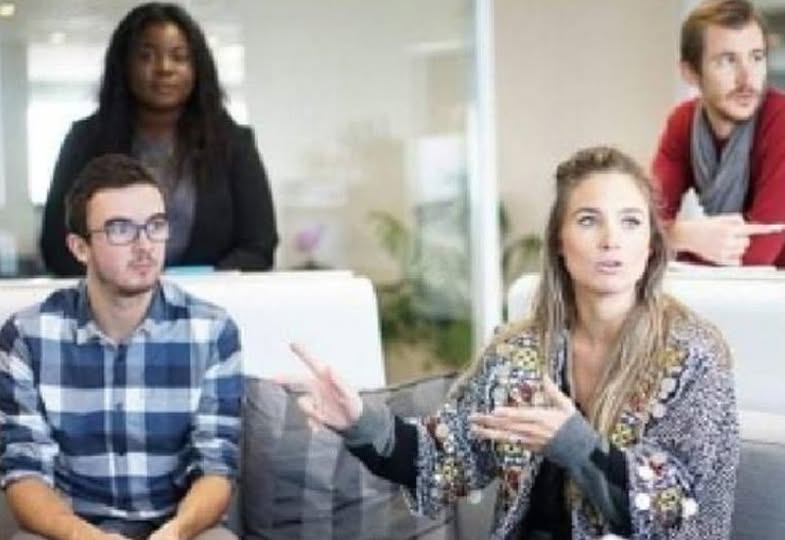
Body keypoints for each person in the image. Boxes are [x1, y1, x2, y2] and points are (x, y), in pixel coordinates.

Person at [283, 147, 739, 539]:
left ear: (651, 245)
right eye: (588, 220)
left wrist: (576, 445)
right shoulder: (519, 351)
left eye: (630, 222)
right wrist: (360, 422)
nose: (610, 240)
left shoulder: (693, 356)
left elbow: (679, 509)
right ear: (559, 242)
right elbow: (445, 458)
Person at [1, 154, 242, 540]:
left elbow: (217, 467)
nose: (145, 246)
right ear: (80, 247)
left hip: (178, 528)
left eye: (155, 225)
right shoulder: (26, 336)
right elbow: (23, 473)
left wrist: (176, 531)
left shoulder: (212, 331)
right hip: (71, 531)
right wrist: (87, 537)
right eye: (120, 229)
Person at [40, 2, 277, 276]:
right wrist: (126, 285)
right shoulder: (86, 141)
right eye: (146, 56)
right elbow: (57, 246)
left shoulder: (233, 144)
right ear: (124, 65)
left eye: (179, 57)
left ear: (197, 68)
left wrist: (196, 288)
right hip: (109, 299)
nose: (164, 68)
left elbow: (258, 246)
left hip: (210, 299)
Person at [652, 0, 785, 267]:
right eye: (727, 60)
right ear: (691, 73)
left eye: (756, 57)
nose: (747, 79)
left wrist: (677, 240)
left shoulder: (779, 119)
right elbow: (641, 224)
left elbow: (760, 250)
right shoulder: (683, 123)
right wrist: (683, 235)